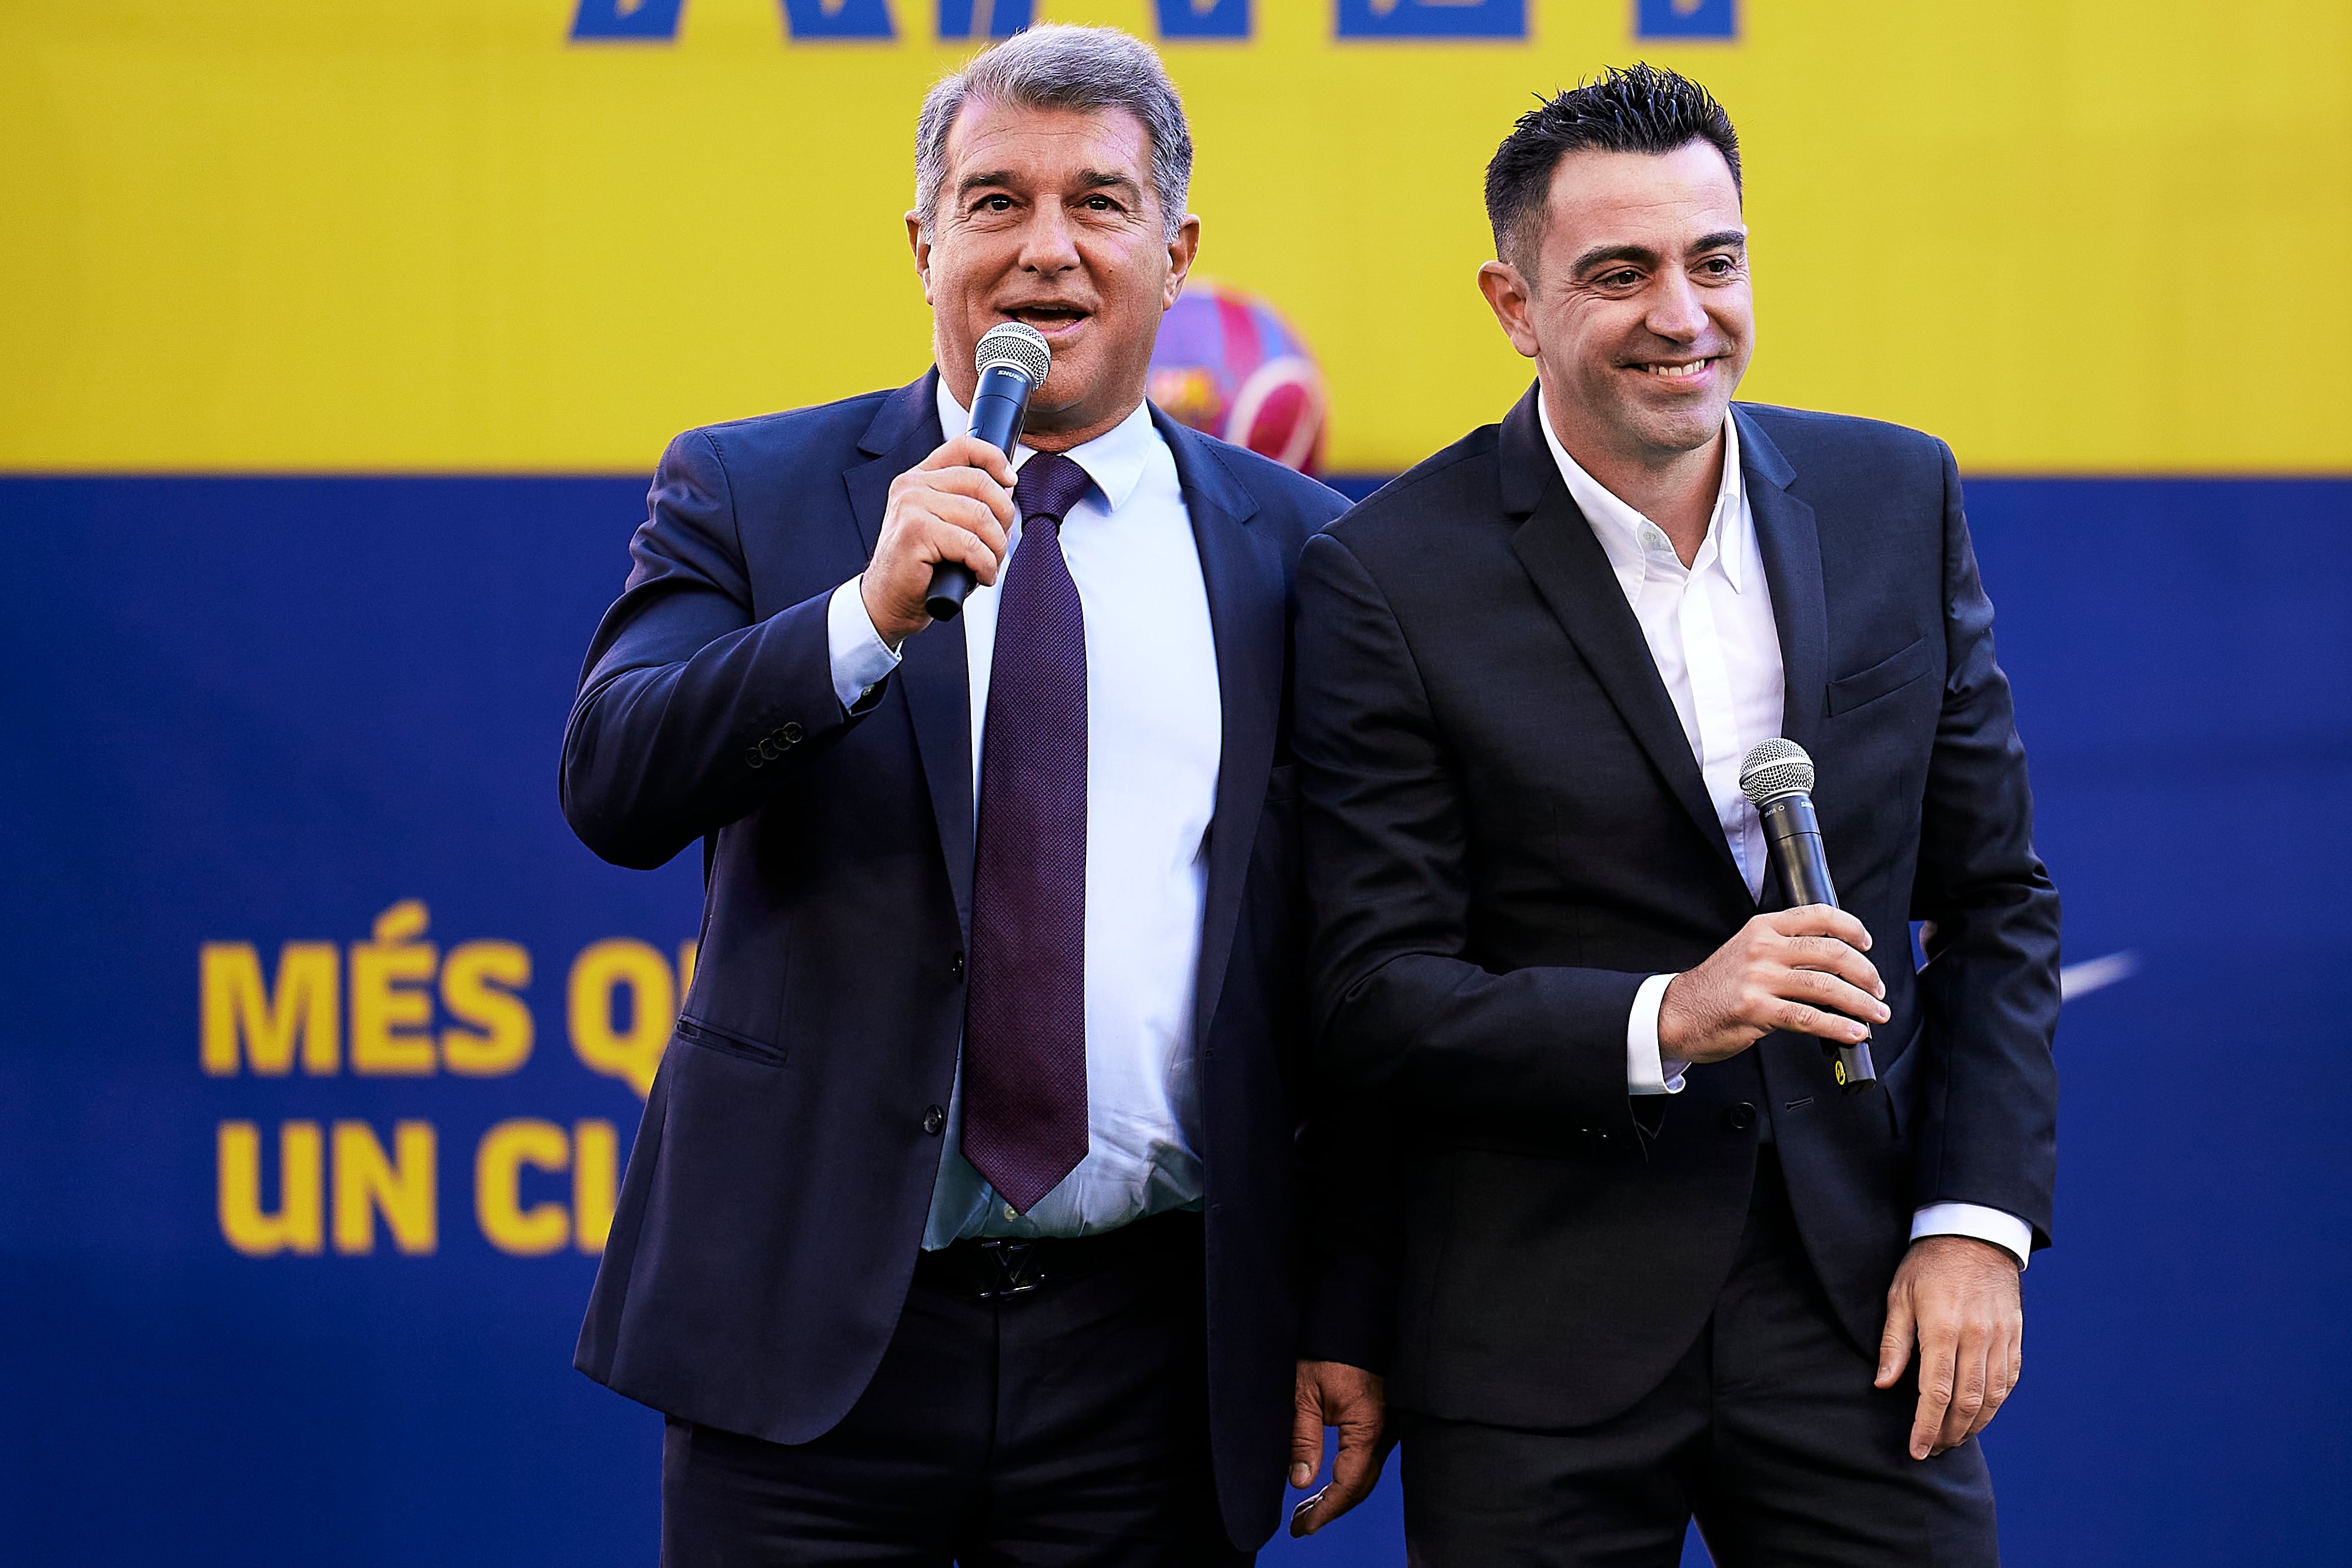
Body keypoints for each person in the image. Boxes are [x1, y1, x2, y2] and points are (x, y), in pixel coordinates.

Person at [562, 25, 1387, 1565]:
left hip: (1154, 1351)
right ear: (926, 238)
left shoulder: (1302, 552)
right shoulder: (758, 491)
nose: (1046, 251)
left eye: (1100, 203)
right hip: (811, 1337)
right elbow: (614, 778)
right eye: (997, 200)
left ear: (1176, 249)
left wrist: (1338, 1298)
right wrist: (861, 617)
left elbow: (1341, 969)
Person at [1292, 63, 2061, 1567]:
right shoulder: (1385, 574)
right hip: (1535, 1329)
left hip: (1857, 1308)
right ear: (1512, 304)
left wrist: (1973, 1219)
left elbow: (1993, 901)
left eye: (1713, 261)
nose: (1681, 313)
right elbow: (1368, 995)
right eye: (1618, 272)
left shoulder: (1892, 493)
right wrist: (1666, 1012)